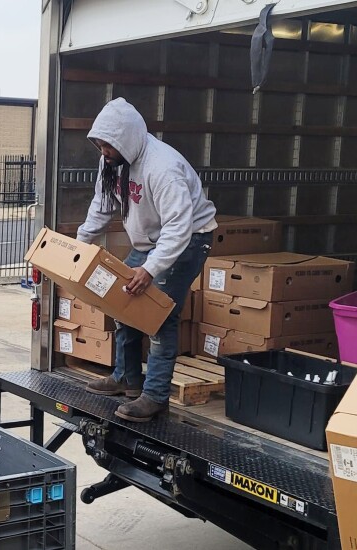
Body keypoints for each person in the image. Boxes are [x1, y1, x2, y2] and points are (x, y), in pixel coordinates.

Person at [77, 97, 217, 422]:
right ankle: (127, 379)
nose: (103, 152)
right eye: (99, 145)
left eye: (107, 146)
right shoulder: (113, 162)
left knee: (159, 315)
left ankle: (155, 396)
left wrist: (151, 268)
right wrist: (80, 246)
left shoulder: (163, 168)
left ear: (126, 140)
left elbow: (179, 227)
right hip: (152, 240)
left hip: (189, 239)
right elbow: (102, 205)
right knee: (121, 302)